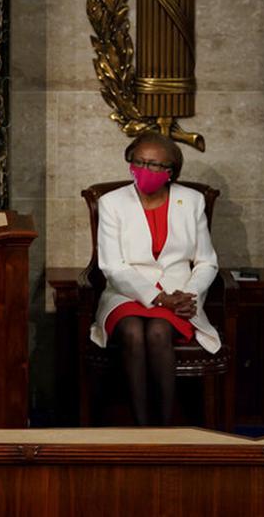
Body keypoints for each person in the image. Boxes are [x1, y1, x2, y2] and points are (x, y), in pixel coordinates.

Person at [90, 131, 220, 426]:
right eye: (139, 162)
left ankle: (164, 428)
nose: (144, 171)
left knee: (159, 331)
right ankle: (141, 427)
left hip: (180, 292)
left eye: (154, 165)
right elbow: (112, 266)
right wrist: (159, 298)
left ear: (170, 172)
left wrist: (190, 297)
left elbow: (206, 261)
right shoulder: (112, 203)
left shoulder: (193, 201)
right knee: (133, 332)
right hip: (125, 292)